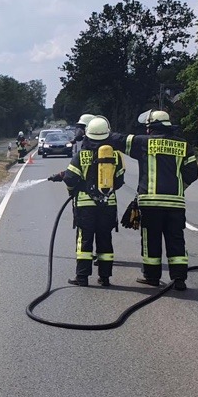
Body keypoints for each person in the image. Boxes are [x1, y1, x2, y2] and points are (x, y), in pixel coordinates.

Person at [107, 110, 198, 290]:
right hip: (175, 204)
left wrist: (99, 132)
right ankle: (179, 279)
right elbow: (192, 174)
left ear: (150, 127)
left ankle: (151, 277)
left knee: (151, 241)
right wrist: (178, 188)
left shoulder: (143, 142)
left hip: (150, 203)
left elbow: (119, 140)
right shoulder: (184, 145)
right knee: (176, 240)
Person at [48, 116, 125, 286]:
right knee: (105, 239)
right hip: (108, 205)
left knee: (85, 240)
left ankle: (82, 277)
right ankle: (105, 278)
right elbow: (119, 182)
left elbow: (70, 178)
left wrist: (72, 193)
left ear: (88, 134)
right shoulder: (116, 156)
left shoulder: (81, 155)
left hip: (85, 206)